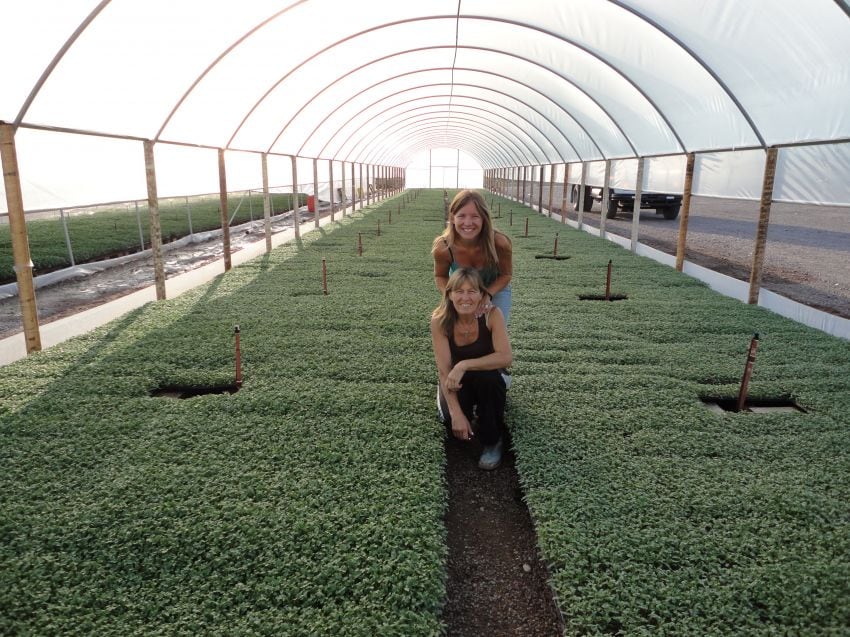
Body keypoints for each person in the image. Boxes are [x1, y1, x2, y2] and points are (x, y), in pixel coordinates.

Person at [431, 268, 512, 470]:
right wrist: (456, 413)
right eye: (459, 291)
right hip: (456, 381)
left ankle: (492, 441)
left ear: (481, 294)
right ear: (449, 294)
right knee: (453, 423)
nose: (465, 297)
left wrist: (464, 364)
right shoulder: (439, 320)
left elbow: (505, 357)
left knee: (489, 380)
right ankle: (466, 411)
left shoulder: (492, 315)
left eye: (472, 291)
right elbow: (444, 371)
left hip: (487, 376)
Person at [432, 190, 513, 325]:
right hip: (462, 290)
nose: (468, 223)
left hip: (494, 288)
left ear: (483, 218)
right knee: (458, 329)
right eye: (461, 216)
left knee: (494, 329)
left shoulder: (499, 243)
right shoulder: (444, 247)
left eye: (475, 216)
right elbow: (440, 276)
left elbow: (506, 274)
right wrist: (453, 296)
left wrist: (487, 295)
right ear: (452, 218)